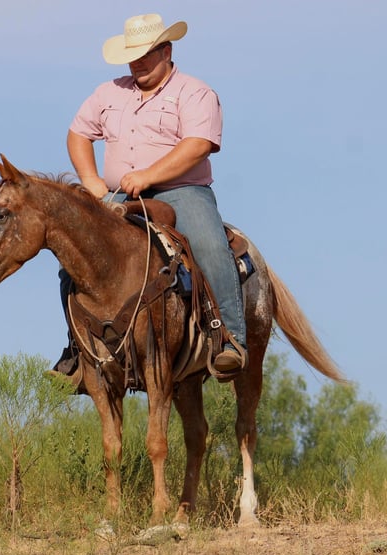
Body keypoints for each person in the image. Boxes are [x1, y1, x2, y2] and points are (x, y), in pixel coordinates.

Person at [53, 13, 246, 375]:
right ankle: (77, 349)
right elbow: (78, 133)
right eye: (133, 54)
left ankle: (229, 339)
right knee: (73, 257)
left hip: (182, 191)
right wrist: (91, 180)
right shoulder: (109, 92)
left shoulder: (194, 92)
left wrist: (147, 176)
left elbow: (199, 145)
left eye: (146, 53)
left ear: (167, 51)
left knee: (208, 245)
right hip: (119, 195)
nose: (138, 61)